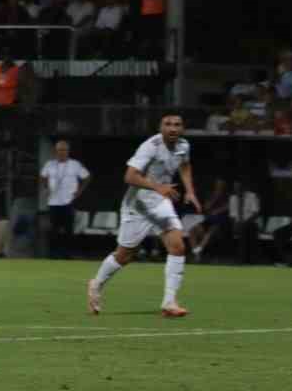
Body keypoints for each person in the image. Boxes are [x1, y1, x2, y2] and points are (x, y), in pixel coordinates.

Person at [88, 114, 200, 318]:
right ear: (160, 127)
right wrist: (158, 187)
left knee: (178, 246)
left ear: (182, 128)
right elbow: (130, 176)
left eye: (177, 125)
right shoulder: (150, 146)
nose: (173, 128)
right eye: (168, 124)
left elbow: (185, 165)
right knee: (124, 256)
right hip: (137, 205)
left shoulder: (184, 145)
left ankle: (169, 302)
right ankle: (96, 284)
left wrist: (190, 191)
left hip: (161, 203)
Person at [39, 139, 90, 259]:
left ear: (68, 151)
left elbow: (87, 177)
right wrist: (46, 188)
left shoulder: (75, 164)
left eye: (64, 150)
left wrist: (79, 192)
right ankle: (53, 254)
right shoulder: (49, 164)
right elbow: (42, 176)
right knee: (53, 230)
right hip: (53, 202)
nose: (61, 152)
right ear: (55, 151)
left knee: (68, 230)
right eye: (59, 150)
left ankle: (68, 254)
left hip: (68, 201)